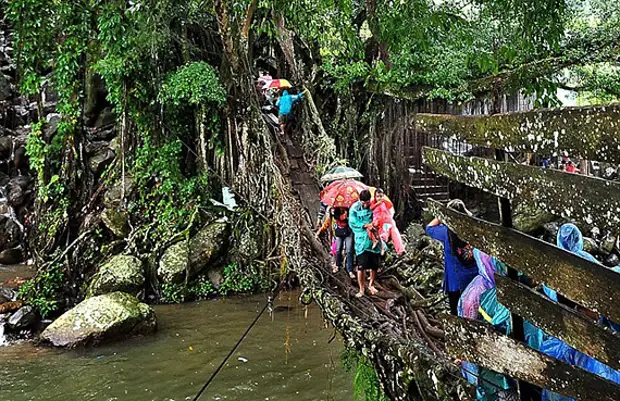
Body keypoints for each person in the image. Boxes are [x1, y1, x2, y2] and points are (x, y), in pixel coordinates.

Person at [426, 199, 478, 315]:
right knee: (474, 310)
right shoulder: (472, 230)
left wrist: (442, 215)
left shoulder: (446, 232)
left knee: (456, 312)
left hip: (456, 281)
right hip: (474, 277)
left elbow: (429, 228)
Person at [349, 189, 382, 297]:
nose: (365, 204)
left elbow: (379, 216)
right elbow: (352, 222)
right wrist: (364, 225)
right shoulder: (354, 208)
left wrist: (374, 224)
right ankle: (361, 289)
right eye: (363, 203)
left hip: (374, 240)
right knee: (361, 267)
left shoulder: (374, 205)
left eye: (367, 202)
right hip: (361, 241)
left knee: (374, 265)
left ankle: (371, 284)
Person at [315, 207, 355, 278]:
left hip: (348, 233)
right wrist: (318, 232)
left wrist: (347, 216)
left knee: (349, 251)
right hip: (338, 234)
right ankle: (337, 264)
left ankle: (350, 270)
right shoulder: (334, 216)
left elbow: (352, 220)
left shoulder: (348, 210)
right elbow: (326, 224)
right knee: (338, 250)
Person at [368, 189, 404, 255]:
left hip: (387, 221)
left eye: (381, 196)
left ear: (383, 196)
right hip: (378, 222)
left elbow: (391, 211)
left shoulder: (385, 203)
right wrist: (377, 204)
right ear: (375, 197)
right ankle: (382, 247)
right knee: (381, 235)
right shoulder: (373, 203)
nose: (379, 198)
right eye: (377, 196)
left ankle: (400, 250)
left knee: (394, 233)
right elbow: (370, 209)